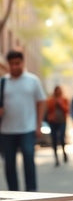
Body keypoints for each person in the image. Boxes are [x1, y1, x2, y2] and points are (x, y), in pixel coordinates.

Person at [0, 49, 46, 191]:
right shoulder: (2, 83)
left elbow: (41, 101)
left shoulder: (33, 80)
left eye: (17, 63)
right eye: (12, 64)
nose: (15, 66)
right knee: (9, 164)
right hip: (6, 130)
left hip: (27, 128)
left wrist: (38, 124)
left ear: (22, 63)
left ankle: (31, 192)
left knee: (28, 158)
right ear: (8, 65)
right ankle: (14, 193)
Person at [46, 85, 69, 166]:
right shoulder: (51, 100)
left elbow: (67, 110)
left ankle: (64, 153)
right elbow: (48, 109)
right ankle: (56, 158)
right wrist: (54, 102)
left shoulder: (64, 99)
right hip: (53, 122)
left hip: (62, 121)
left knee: (62, 138)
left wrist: (60, 103)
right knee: (54, 139)